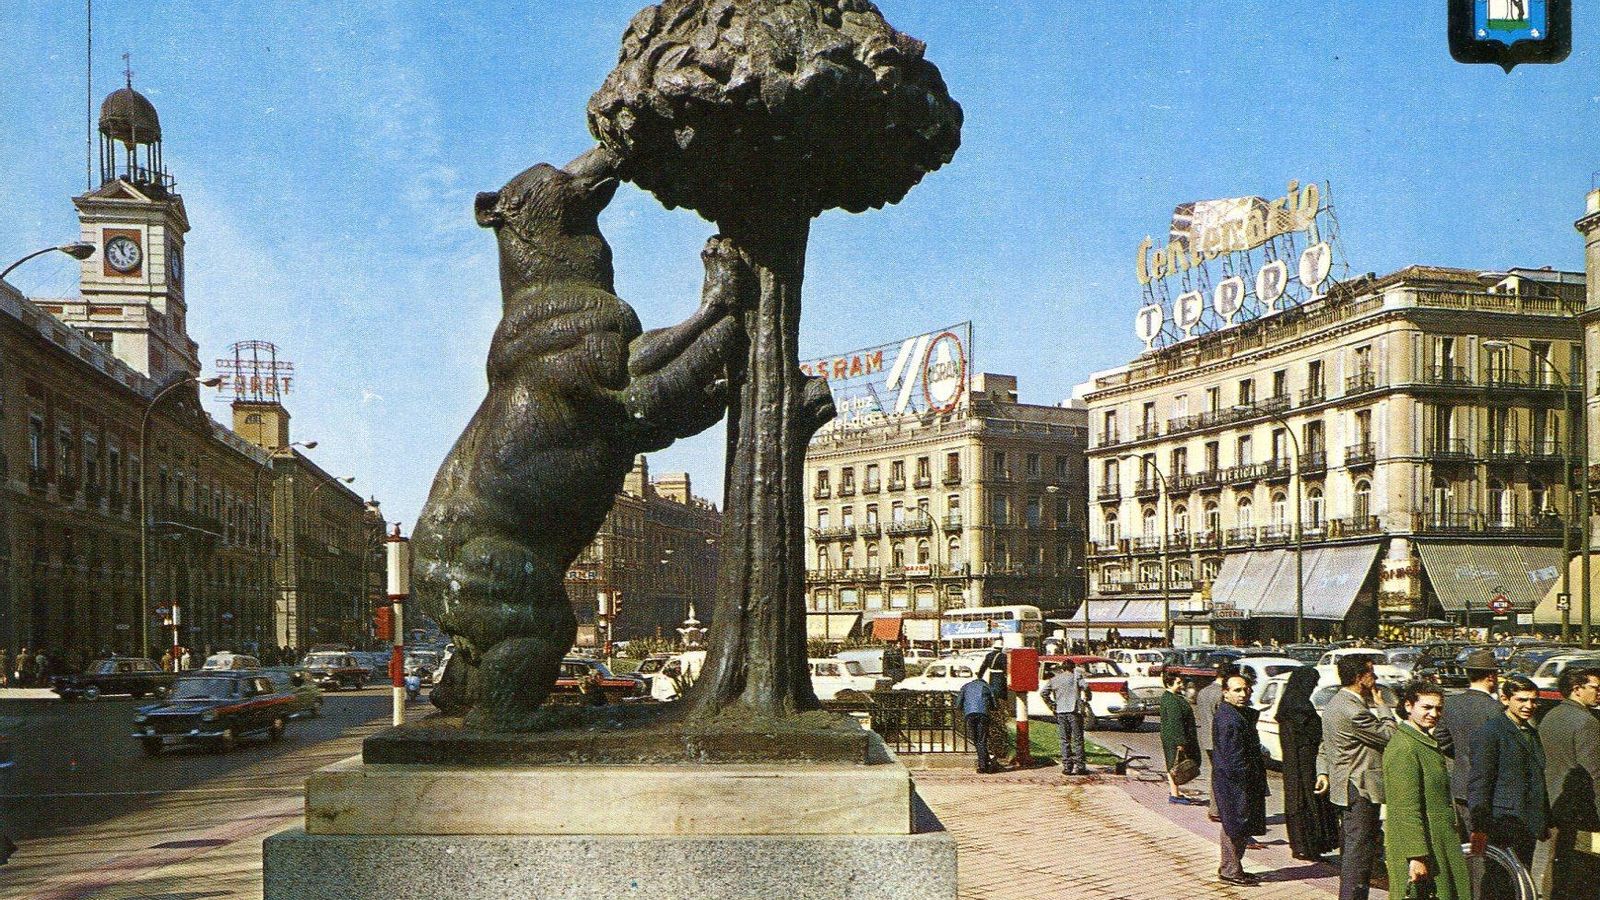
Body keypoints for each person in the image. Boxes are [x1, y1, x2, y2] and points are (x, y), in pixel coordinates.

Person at [1383, 681, 1471, 900]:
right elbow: (1405, 808)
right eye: (1427, 707)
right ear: (1408, 706)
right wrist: (1416, 856)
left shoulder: (1423, 740)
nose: (1434, 714)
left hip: (1438, 842)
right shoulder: (1405, 747)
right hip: (1424, 847)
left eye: (1438, 708)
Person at [1317, 654, 1395, 900]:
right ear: (1360, 678)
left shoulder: (1335, 703)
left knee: (1355, 849)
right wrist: (1382, 705)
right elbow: (1389, 735)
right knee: (1358, 852)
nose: (1376, 678)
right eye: (1372, 673)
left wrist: (1323, 771)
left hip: (1345, 785)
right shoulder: (1354, 711)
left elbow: (1325, 745)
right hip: (1359, 787)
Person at [1468, 673, 1548, 900]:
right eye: (1521, 700)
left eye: (1533, 700)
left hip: (1525, 823)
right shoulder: (1491, 732)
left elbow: (1535, 778)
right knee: (1499, 884)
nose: (1528, 706)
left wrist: (1543, 818)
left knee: (1518, 883)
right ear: (1505, 699)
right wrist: (1480, 826)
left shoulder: (1530, 732)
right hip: (1500, 824)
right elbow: (1480, 782)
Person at [1538, 665, 1600, 898]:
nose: (1599, 692)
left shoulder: (1551, 716)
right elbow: (1593, 774)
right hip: (1582, 813)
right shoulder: (1587, 722)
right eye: (1595, 687)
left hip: (1554, 804)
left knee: (1556, 866)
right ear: (1577, 689)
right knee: (1586, 872)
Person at [1435, 647, 1502, 837]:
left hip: (1461, 785)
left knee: (1469, 841)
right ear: (1491, 676)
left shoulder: (1450, 704)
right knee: (1487, 844)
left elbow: (1441, 740)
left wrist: (1460, 754)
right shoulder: (1497, 709)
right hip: (1491, 789)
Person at [1212, 673, 1269, 886]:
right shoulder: (1229, 719)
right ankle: (1230, 870)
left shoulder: (1237, 714)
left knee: (1238, 826)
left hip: (1240, 780)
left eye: (1245, 689)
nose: (1243, 694)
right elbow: (1232, 758)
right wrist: (1246, 778)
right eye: (1237, 690)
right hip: (1235, 782)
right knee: (1235, 826)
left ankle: (1233, 867)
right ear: (1225, 693)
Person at [1277, 665, 1338, 861]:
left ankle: (1304, 846)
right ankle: (1306, 847)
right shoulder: (1299, 708)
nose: (1314, 687)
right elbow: (1312, 733)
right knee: (1305, 803)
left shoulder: (1290, 704)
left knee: (1300, 802)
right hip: (1304, 763)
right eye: (1312, 683)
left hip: (1296, 764)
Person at [1196, 663, 1237, 821]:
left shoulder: (1203, 692)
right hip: (1220, 741)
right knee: (1224, 776)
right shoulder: (1222, 694)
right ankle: (1219, 809)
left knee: (1216, 774)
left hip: (1207, 739)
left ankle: (1215, 808)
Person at [1158, 670, 1202, 804]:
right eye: (1178, 682)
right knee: (1174, 766)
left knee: (1173, 764)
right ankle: (1174, 795)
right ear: (1169, 683)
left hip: (1171, 737)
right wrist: (1180, 742)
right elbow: (1175, 721)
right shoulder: (1171, 700)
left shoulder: (1171, 697)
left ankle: (1175, 792)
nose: (1181, 684)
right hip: (1174, 739)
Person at [1042, 658, 1088, 775]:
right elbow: (1086, 687)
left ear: (1062, 669)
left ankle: (1067, 766)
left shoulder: (1054, 679)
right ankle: (1080, 766)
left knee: (1064, 740)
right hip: (1074, 711)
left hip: (1061, 711)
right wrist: (1087, 697)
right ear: (1073, 668)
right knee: (1078, 739)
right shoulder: (1076, 677)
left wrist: (1052, 705)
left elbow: (1044, 693)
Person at [959, 674, 999, 774]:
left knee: (976, 740)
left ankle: (985, 763)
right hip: (983, 715)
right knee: (982, 739)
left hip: (970, 714)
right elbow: (995, 705)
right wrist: (992, 708)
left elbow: (958, 703)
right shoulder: (987, 687)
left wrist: (964, 707)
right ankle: (984, 765)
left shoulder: (965, 686)